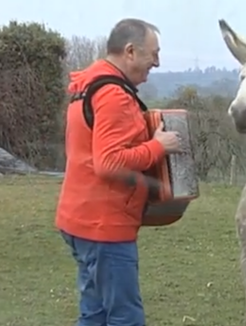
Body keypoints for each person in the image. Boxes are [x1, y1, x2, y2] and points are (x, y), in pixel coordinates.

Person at [55, 18, 181, 326]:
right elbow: (109, 162)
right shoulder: (114, 95)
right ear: (130, 51)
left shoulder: (88, 85)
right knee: (125, 317)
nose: (157, 62)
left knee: (94, 313)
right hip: (104, 226)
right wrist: (158, 146)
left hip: (80, 219)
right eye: (153, 53)